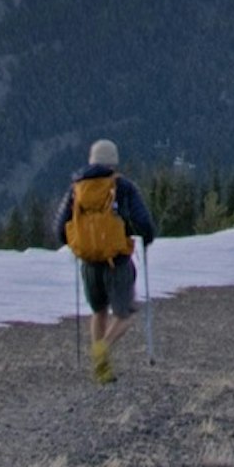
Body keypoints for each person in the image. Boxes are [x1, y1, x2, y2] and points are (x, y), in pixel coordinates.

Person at [62, 138, 156, 381]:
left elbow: (60, 227)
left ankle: (101, 370)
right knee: (126, 314)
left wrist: (79, 243)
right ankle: (102, 350)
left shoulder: (77, 188)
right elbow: (143, 221)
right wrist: (146, 237)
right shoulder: (122, 187)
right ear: (114, 162)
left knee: (99, 311)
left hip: (89, 262)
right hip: (117, 261)